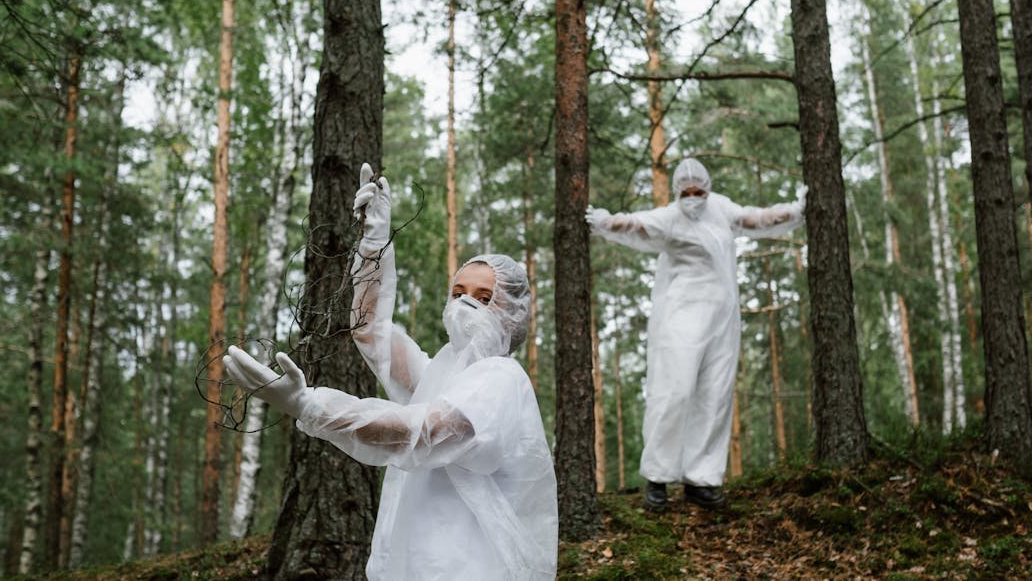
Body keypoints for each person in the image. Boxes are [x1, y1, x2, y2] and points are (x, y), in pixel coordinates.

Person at [223, 163, 557, 580]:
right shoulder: (443, 373)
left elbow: (423, 431)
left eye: (483, 297)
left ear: (510, 313)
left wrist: (312, 407)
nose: (464, 304)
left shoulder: (501, 379)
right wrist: (373, 244)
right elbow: (370, 330)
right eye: (457, 292)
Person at [586, 158, 806, 511]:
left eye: (698, 191)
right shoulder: (670, 217)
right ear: (677, 193)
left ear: (708, 188)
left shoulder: (721, 209)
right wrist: (603, 222)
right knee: (674, 392)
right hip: (681, 316)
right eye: (686, 192)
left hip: (722, 318)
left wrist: (796, 211)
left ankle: (701, 479)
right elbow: (634, 225)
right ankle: (657, 478)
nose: (693, 197)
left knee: (714, 395)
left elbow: (757, 219)